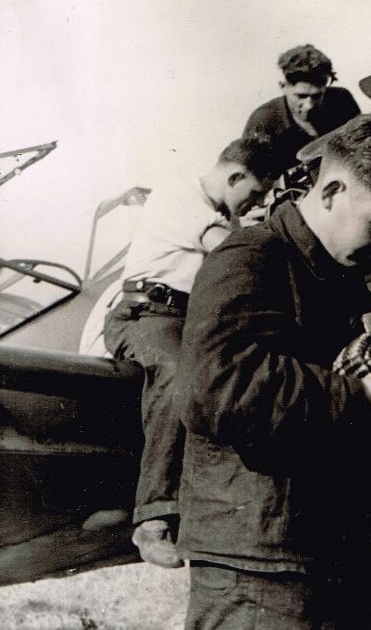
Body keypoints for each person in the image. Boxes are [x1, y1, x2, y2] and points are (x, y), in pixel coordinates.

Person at [175, 114, 371, 629]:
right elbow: (217, 390)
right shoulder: (249, 258)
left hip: (327, 556)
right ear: (332, 191)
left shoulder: (328, 277)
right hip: (261, 565)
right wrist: (358, 396)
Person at [102, 137, 281, 568]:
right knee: (177, 375)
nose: (252, 202)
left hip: (186, 320)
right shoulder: (179, 192)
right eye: (252, 192)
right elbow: (228, 248)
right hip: (146, 314)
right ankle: (153, 521)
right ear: (234, 176)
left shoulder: (220, 215)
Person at [243, 43, 361, 175]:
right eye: (301, 96)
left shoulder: (342, 100)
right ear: (283, 86)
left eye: (317, 96)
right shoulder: (262, 122)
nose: (309, 105)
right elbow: (254, 178)